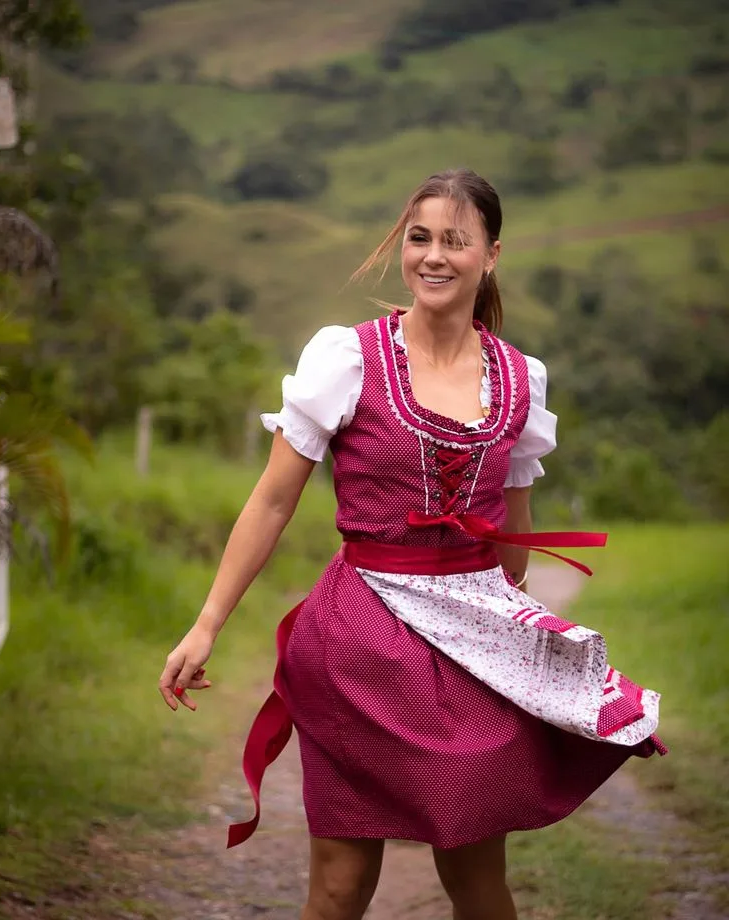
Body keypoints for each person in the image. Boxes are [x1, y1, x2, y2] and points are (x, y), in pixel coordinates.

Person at [159, 168, 666, 920]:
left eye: (454, 241)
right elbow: (272, 500)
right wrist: (207, 623)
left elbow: (515, 532)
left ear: (491, 254)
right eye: (419, 238)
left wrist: (510, 639)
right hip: (358, 639)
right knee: (339, 885)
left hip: (468, 640)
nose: (433, 256)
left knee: (476, 878)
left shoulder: (521, 379)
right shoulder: (348, 359)